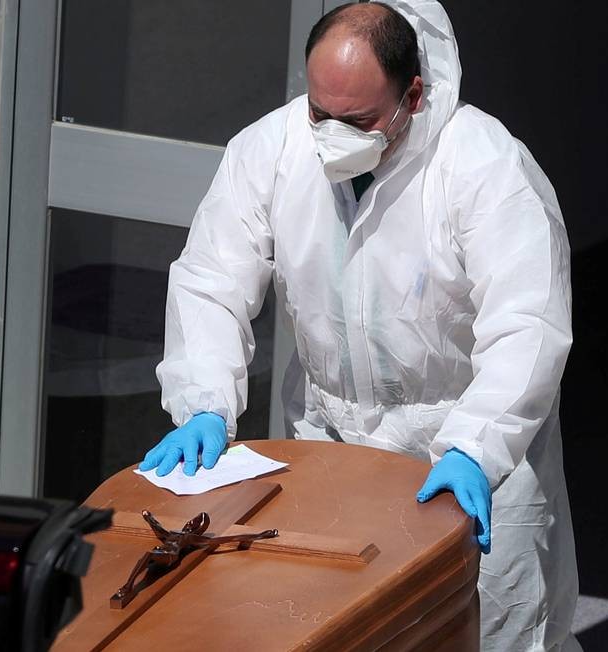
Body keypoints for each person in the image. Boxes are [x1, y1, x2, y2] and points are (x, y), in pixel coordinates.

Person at [138, 1, 581, 649]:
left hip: (465, 447)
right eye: (320, 112)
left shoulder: (485, 166)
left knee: (486, 631)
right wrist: (204, 400)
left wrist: (474, 447)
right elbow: (212, 278)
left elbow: (528, 326)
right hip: (331, 436)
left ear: (415, 93)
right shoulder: (271, 147)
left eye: (360, 120)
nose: (332, 133)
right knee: (339, 623)